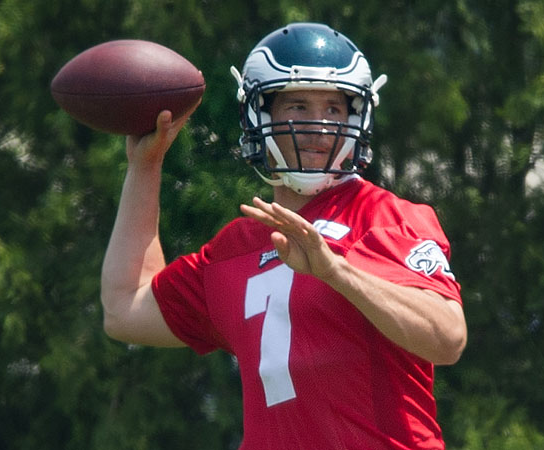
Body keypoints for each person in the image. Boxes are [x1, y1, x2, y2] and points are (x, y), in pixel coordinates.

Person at [101, 22, 467, 449]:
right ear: (259, 115)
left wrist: (336, 272)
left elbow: (447, 338)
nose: (318, 125)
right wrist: (146, 167)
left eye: (334, 109)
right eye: (298, 106)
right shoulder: (236, 247)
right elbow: (124, 308)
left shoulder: (386, 218)